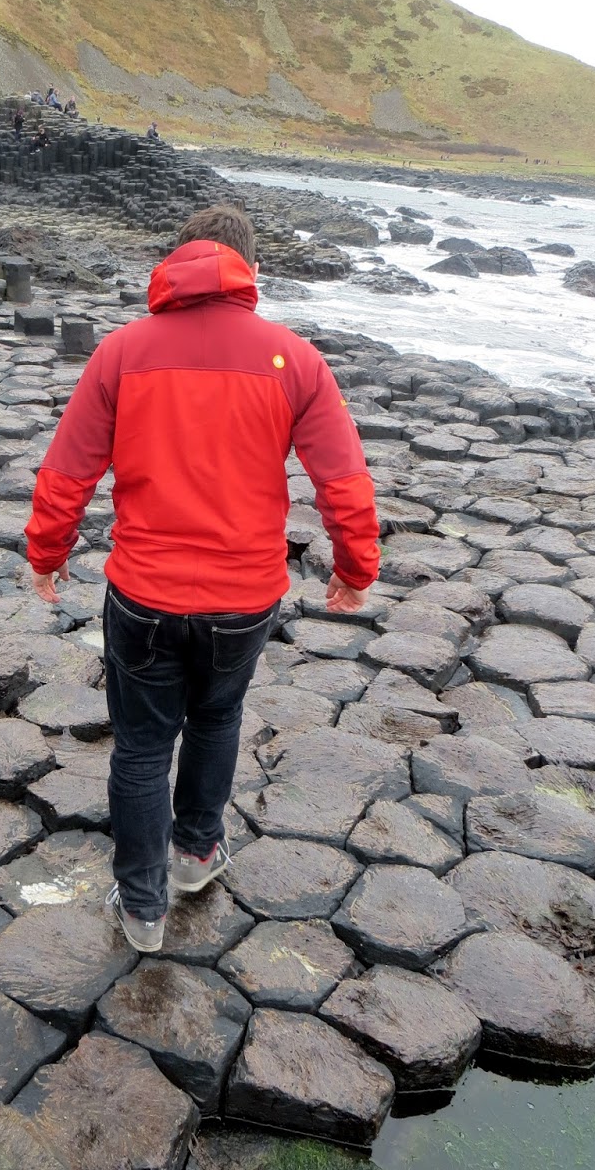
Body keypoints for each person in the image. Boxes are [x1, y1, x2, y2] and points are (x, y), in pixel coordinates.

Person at [25, 205, 380, 953]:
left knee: (141, 747)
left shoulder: (123, 351)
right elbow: (344, 481)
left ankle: (143, 907)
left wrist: (47, 554)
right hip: (244, 597)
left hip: (143, 592)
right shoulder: (294, 358)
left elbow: (67, 470)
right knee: (217, 719)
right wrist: (354, 571)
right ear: (250, 268)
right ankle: (194, 853)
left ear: (175, 260)